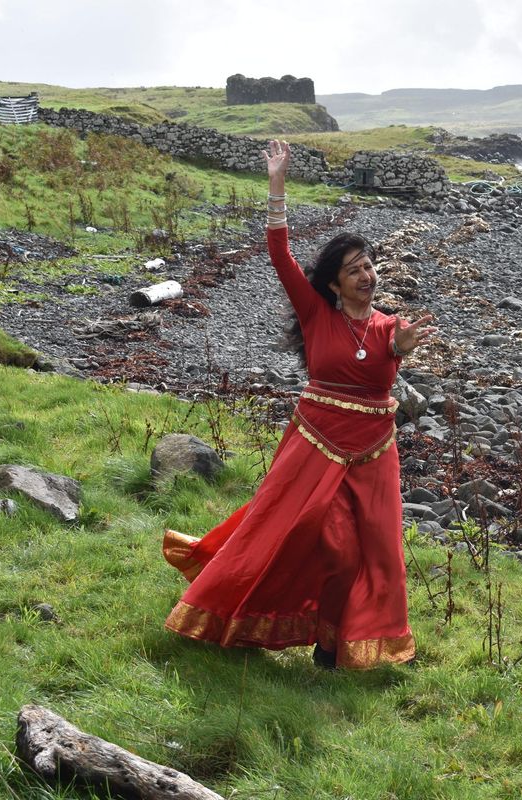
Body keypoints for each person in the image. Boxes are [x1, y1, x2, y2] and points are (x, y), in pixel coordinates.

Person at [162, 139, 435, 670]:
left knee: (378, 556)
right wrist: (277, 183)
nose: (367, 275)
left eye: (370, 265)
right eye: (355, 269)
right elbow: (279, 252)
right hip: (315, 446)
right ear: (334, 282)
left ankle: (333, 648)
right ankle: (241, 606)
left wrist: (398, 352)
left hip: (375, 454)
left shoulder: (388, 328)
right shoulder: (316, 314)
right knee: (327, 546)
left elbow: (383, 373)